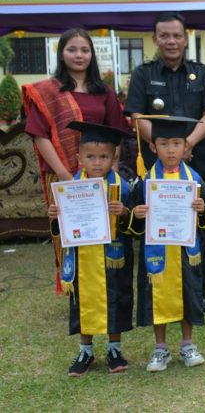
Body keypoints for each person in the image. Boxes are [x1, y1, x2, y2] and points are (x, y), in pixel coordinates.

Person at [124, 12, 205, 315]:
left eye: (177, 35)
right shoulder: (143, 74)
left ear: (185, 38)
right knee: (160, 223)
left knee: (198, 223)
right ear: (155, 39)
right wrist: (163, 145)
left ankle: (201, 289)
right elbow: (137, 116)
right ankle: (160, 283)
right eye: (164, 35)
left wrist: (187, 144)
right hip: (158, 163)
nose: (171, 41)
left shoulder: (201, 73)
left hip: (195, 161)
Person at [22, 28, 130, 295]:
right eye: (72, 49)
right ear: (61, 54)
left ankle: (102, 289)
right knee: (72, 233)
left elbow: (116, 134)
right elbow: (39, 135)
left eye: (84, 50)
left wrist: (112, 172)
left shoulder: (103, 91)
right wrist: (64, 174)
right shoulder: (48, 92)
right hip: (64, 176)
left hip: (100, 176)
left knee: (101, 231)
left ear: (92, 54)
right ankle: (75, 290)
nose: (79, 55)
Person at [126, 116, 205, 372]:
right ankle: (160, 347)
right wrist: (137, 214)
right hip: (157, 252)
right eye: (164, 144)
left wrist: (202, 209)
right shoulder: (146, 182)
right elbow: (131, 215)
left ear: (185, 146)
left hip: (185, 251)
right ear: (153, 147)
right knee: (157, 296)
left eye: (176, 143)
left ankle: (187, 344)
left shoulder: (194, 179)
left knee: (188, 294)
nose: (171, 150)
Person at [47, 122, 134, 376]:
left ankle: (114, 349)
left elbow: (136, 225)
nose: (97, 163)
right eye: (91, 157)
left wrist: (124, 212)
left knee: (115, 298)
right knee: (82, 302)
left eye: (104, 157)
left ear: (114, 157)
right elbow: (62, 228)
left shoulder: (123, 187)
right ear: (79, 158)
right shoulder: (70, 190)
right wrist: (55, 216)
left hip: (112, 256)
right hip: (83, 258)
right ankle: (85, 351)